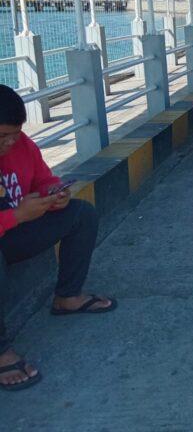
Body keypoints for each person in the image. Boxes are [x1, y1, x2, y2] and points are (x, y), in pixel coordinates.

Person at [0, 85, 115, 391]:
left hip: (16, 230)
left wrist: (55, 192)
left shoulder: (22, 145)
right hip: (11, 226)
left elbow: (43, 178)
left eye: (15, 134)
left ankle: (67, 297)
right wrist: (17, 216)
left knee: (81, 213)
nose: (10, 142)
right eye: (2, 136)